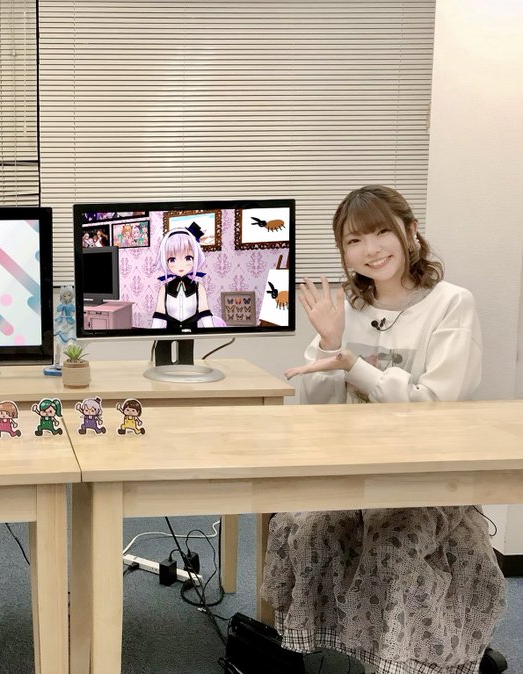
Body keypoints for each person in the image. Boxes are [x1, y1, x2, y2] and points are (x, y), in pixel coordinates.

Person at [261, 185, 506, 674]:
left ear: (410, 232)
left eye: (380, 233)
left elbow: (434, 406)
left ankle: (400, 661)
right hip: (353, 472)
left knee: (394, 551)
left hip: (426, 477)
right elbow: (319, 409)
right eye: (354, 241)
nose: (370, 250)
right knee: (303, 528)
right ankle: (340, 647)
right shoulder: (348, 309)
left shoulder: (450, 304)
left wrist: (354, 365)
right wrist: (329, 344)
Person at [152, 223, 216, 329]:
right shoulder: (165, 288)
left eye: (188, 258)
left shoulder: (198, 287)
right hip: (170, 334)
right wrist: (152, 335)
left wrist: (212, 334)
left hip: (192, 333)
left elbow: (205, 313)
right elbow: (159, 315)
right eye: (172, 259)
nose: (181, 265)